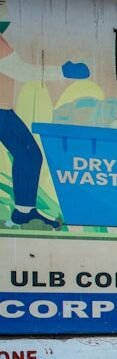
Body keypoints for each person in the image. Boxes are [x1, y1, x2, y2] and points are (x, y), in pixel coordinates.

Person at [0, 14, 89, 229]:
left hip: (5, 112)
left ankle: (24, 212)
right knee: (29, 154)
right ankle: (24, 212)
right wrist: (63, 71)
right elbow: (21, 71)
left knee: (29, 154)